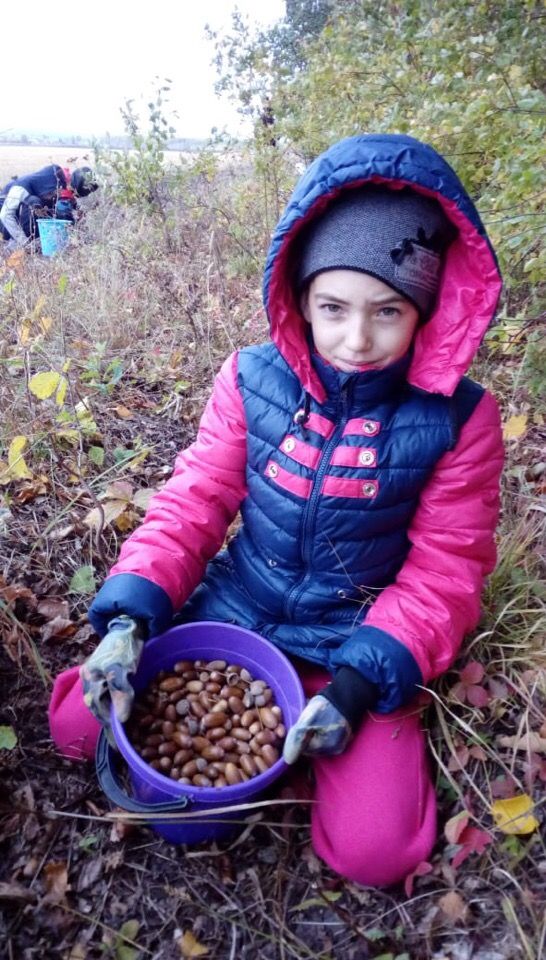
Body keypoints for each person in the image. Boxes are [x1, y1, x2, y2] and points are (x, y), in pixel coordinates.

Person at [49, 133, 504, 887]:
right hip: (237, 607)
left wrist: (362, 684)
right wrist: (130, 618)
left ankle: (320, 753)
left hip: (351, 643)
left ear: (423, 312)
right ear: (299, 295)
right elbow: (194, 501)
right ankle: (283, 767)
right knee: (73, 729)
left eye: (388, 312)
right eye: (334, 307)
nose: (357, 340)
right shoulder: (252, 379)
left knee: (376, 855)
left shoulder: (460, 419)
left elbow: (445, 570)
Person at [0, 164, 67, 249]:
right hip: (6, 227)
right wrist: (25, 243)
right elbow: (5, 216)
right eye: (53, 191)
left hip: (16, 223)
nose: (53, 195)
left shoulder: (37, 186)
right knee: (34, 202)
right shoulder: (21, 188)